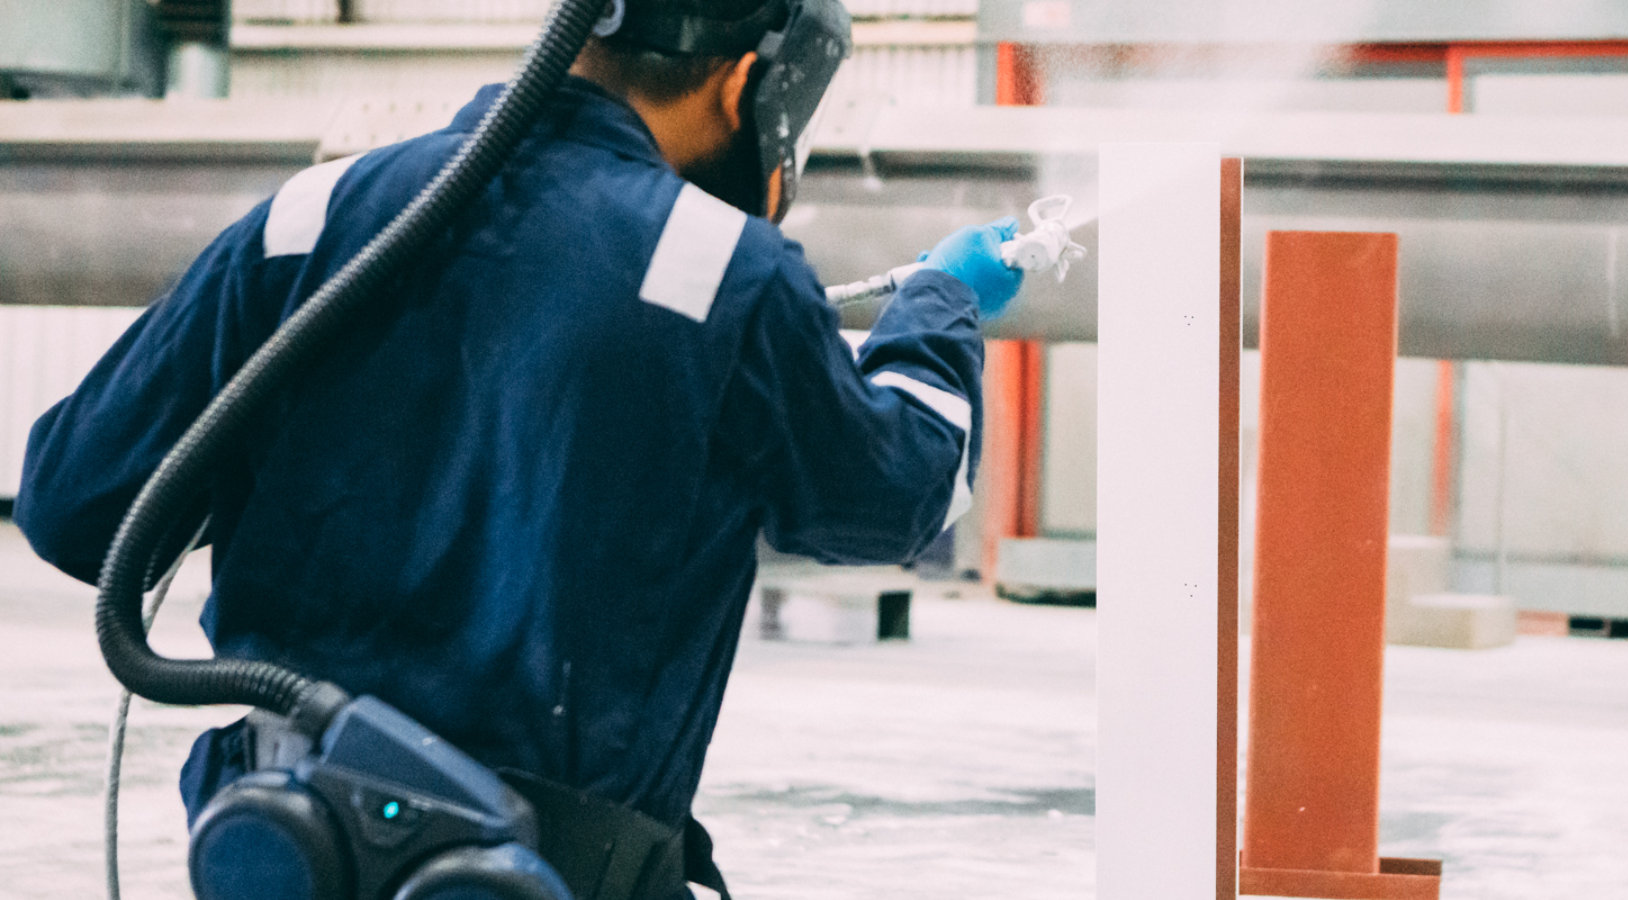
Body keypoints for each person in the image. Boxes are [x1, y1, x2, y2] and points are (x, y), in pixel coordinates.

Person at [12, 0, 1023, 895]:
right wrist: (942, 309)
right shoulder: (721, 273)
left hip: (282, 846)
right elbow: (896, 494)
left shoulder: (314, 218)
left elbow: (72, 504)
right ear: (746, 85)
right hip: (542, 868)